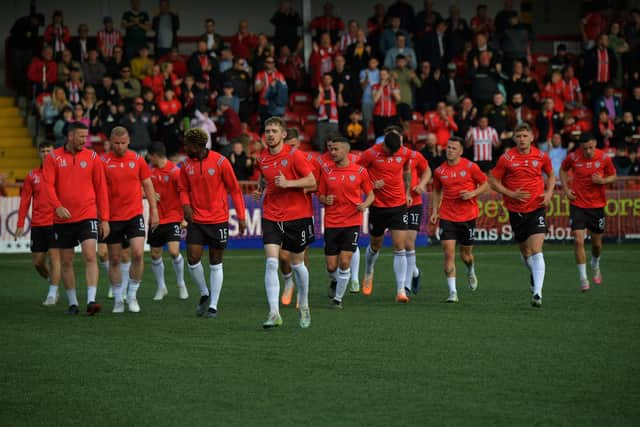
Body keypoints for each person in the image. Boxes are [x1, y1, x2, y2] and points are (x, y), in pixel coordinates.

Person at [253, 117, 316, 328]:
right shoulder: (261, 157)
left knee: (297, 263)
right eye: (267, 130)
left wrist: (289, 183)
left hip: (297, 215)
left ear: (283, 135)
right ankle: (273, 313)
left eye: (273, 131)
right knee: (271, 261)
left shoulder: (294, 155)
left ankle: (304, 304)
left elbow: (312, 181)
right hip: (271, 214)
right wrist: (260, 188)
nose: (269, 134)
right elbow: (265, 177)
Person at [42, 122, 110, 315]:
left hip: (87, 215)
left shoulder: (92, 156)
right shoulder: (53, 157)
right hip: (62, 219)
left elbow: (101, 188)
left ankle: (91, 300)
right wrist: (58, 206)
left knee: (90, 254)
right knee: (66, 261)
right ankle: (73, 303)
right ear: (70, 136)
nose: (84, 140)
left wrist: (104, 218)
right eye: (81, 136)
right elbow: (48, 185)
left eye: (85, 137)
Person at [179, 128, 247, 318]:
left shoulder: (220, 162)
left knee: (215, 261)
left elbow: (235, 189)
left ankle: (213, 306)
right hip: (196, 219)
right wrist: (185, 205)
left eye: (188, 145)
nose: (185, 148)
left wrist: (241, 216)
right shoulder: (185, 165)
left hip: (218, 220)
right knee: (192, 258)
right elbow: (183, 188)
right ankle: (204, 293)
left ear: (198, 146)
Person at [489, 123, 555, 307]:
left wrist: (549, 194)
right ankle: (534, 275)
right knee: (525, 251)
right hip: (516, 210)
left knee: (536, 249)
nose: (522, 139)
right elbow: (493, 181)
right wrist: (511, 194)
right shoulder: (507, 158)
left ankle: (537, 293)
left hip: (537, 207)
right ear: (514, 139)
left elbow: (551, 175)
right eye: (518, 136)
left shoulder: (541, 156)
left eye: (525, 136)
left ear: (532, 137)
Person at [102, 127, 158, 313]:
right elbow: (96, 189)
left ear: (129, 141)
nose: (120, 147)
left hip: (134, 215)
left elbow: (148, 184)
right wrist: (101, 217)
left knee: (138, 254)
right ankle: (118, 298)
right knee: (115, 259)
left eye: (123, 143)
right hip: (111, 217)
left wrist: (154, 211)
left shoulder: (137, 159)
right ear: (111, 141)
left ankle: (132, 295)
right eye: (116, 143)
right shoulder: (103, 162)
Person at [357, 130, 417, 302]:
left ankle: (401, 291)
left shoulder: (403, 152)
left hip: (398, 206)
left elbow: (407, 170)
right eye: (391, 151)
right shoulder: (370, 154)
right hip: (378, 206)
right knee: (376, 245)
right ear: (384, 145)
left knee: (400, 246)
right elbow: (358, 172)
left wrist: (406, 192)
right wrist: (371, 185)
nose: (394, 154)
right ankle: (369, 269)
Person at [318, 138, 375, 309]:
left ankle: (338, 300)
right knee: (331, 266)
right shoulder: (326, 171)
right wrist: (324, 199)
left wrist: (364, 205)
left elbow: (371, 195)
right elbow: (320, 194)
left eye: (336, 149)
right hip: (331, 223)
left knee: (344, 262)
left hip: (351, 222)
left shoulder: (360, 171)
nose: (332, 152)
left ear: (345, 151)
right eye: (331, 149)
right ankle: (335, 281)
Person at [430, 137, 489, 302]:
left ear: (461, 151)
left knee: (466, 255)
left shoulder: (470, 167)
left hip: (468, 216)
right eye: (448, 147)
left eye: (454, 148)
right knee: (448, 254)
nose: (450, 150)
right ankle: (453, 292)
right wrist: (435, 210)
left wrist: (472, 194)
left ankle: (470, 269)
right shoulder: (439, 171)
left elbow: (486, 184)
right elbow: (436, 191)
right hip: (447, 216)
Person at [560, 132, 616, 292]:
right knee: (578, 241)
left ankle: (595, 263)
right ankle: (583, 279)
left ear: (595, 144)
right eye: (585, 149)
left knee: (596, 245)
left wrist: (603, 180)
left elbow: (613, 176)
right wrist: (566, 189)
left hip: (597, 206)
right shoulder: (573, 157)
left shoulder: (604, 158)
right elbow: (563, 171)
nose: (588, 151)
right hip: (577, 204)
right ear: (581, 147)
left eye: (591, 148)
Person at [16, 142, 61, 306]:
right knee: (38, 262)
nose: (46, 153)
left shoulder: (60, 173)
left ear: (54, 152)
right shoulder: (32, 175)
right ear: (39, 153)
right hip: (37, 223)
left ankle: (52, 293)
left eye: (49, 150)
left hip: (56, 222)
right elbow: (25, 201)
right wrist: (20, 223)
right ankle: (52, 281)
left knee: (55, 257)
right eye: (43, 151)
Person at [147, 142, 188, 301]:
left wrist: (185, 217)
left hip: (173, 217)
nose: (149, 159)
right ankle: (161, 287)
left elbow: (184, 193)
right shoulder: (150, 172)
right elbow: (142, 187)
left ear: (155, 156)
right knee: (155, 254)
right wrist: (149, 193)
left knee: (173, 251)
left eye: (150, 157)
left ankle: (181, 283)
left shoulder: (175, 172)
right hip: (156, 218)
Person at [404, 139, 431, 296]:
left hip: (414, 202)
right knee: (400, 244)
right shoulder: (384, 158)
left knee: (409, 242)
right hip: (395, 204)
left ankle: (406, 287)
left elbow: (427, 171)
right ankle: (415, 273)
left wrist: (421, 184)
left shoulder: (415, 156)